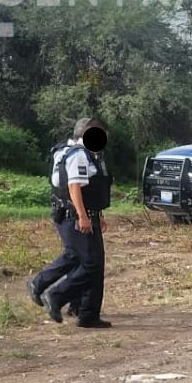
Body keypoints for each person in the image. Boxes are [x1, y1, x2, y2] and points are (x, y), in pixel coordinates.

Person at [41, 119, 114, 329]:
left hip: (89, 215)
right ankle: (56, 295)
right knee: (89, 264)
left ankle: (89, 314)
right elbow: (74, 188)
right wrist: (83, 216)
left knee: (95, 265)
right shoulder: (79, 155)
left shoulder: (91, 154)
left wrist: (96, 214)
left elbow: (92, 190)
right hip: (77, 217)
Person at [27, 133, 81, 317]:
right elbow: (72, 187)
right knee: (76, 255)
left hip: (69, 212)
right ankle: (40, 283)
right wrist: (82, 214)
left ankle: (75, 304)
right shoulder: (74, 154)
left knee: (82, 259)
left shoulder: (65, 151)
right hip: (69, 213)